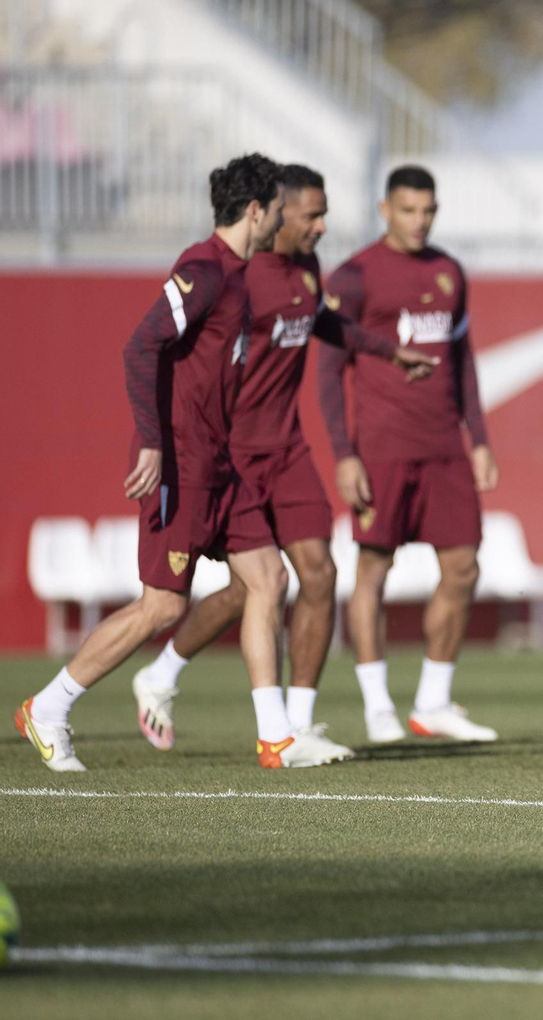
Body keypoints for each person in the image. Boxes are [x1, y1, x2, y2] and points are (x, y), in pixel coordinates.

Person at [127, 165, 439, 761]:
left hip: (288, 448)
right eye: (312, 214)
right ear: (274, 213)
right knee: (251, 592)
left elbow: (320, 321)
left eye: (324, 214)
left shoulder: (306, 268)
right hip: (233, 452)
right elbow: (165, 348)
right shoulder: (238, 278)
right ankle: (163, 673)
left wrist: (386, 351)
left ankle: (298, 723)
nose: (322, 225)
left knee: (318, 574)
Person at [14, 154, 310, 770]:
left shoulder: (238, 275)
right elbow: (139, 344)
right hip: (182, 463)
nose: (283, 217)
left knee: (268, 579)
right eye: (279, 207)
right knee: (164, 606)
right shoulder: (203, 270)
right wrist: (152, 440)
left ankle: (276, 737)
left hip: (222, 465)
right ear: (255, 211)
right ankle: (48, 707)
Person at [318, 165, 500, 744]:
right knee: (373, 568)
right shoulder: (353, 278)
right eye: (408, 210)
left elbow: (463, 360)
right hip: (382, 447)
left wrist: (478, 440)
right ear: (385, 210)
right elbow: (328, 370)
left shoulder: (449, 272)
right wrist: (344, 454)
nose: (420, 221)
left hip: (445, 446)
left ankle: (433, 702)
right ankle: (377, 706)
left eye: (428, 211)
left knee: (464, 567)